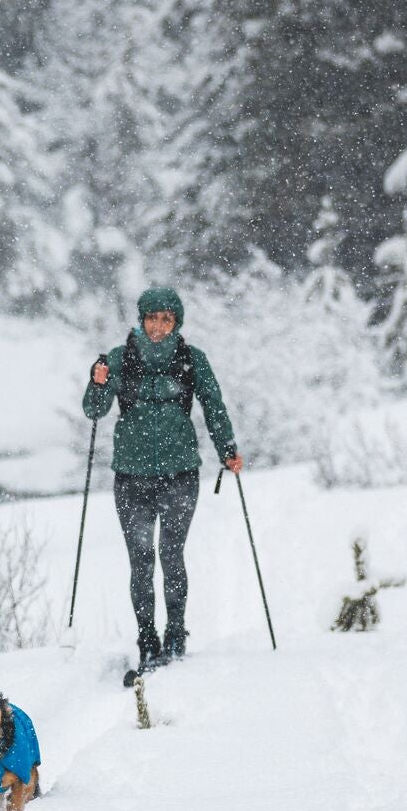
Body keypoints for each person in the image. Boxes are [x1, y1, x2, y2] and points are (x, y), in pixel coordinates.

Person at [82, 286, 241, 672]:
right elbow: (94, 410)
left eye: (166, 318)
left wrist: (227, 448)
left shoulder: (191, 359)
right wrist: (99, 381)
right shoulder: (119, 359)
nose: (157, 326)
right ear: (141, 319)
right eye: (152, 317)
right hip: (131, 478)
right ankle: (147, 638)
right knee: (140, 561)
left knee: (171, 556)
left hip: (180, 475)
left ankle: (175, 634)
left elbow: (213, 406)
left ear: (176, 322)